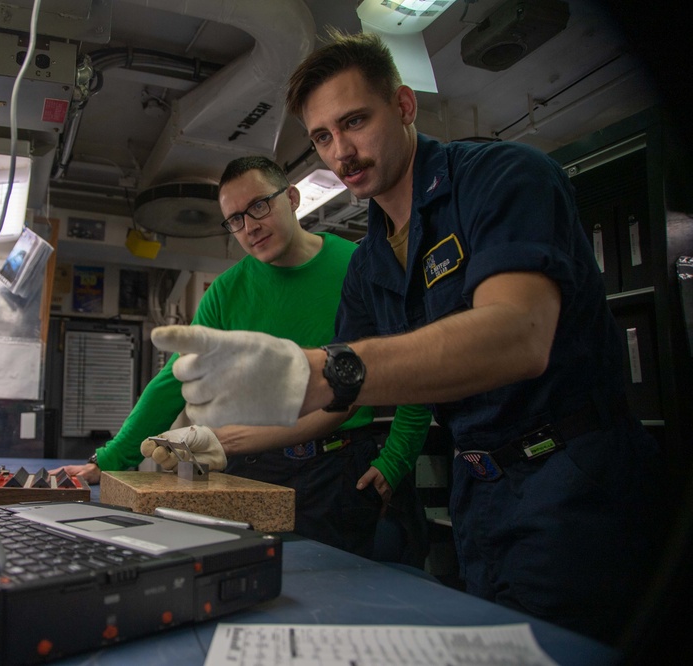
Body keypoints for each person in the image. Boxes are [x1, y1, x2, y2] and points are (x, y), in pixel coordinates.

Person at [151, 31, 663, 644]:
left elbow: (519, 335)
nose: (342, 150)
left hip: (573, 479)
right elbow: (344, 398)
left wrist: (314, 370)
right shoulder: (371, 265)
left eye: (355, 121)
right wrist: (220, 437)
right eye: (322, 137)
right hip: (481, 492)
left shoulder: (503, 178)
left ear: (403, 106)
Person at [59, 155, 431, 558]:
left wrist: (397, 458)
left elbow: (411, 361)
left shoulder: (358, 266)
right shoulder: (225, 292)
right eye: (234, 219)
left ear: (292, 197)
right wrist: (112, 457)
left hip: (339, 466)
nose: (249, 226)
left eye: (259, 206)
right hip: (252, 467)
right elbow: (175, 380)